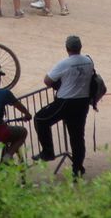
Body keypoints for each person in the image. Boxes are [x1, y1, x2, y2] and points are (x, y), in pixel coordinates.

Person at [33, 35, 95, 178]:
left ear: (67, 48)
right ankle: (77, 169)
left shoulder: (64, 63)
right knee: (78, 136)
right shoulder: (88, 61)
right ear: (80, 47)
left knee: (40, 119)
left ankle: (48, 151)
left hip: (66, 101)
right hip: (83, 101)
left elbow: (47, 80)